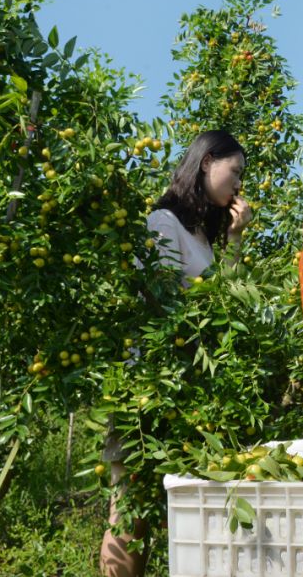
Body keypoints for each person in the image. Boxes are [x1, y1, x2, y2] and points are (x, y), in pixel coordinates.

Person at [99, 129, 252, 577]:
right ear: (207, 163)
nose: (239, 183)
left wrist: (236, 241)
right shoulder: (163, 223)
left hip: (183, 387)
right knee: (131, 510)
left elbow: (222, 306)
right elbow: (165, 305)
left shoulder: (200, 235)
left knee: (166, 515)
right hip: (150, 387)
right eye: (235, 171)